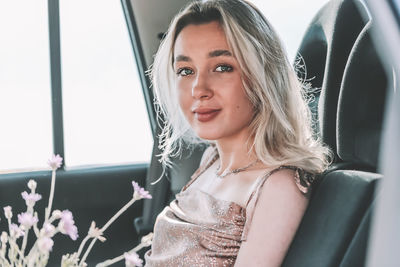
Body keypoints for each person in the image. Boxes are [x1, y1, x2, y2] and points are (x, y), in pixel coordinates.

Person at [145, 0, 333, 266]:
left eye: (222, 67)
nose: (199, 89)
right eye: (185, 71)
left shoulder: (277, 186)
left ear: (261, 75)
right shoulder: (211, 161)